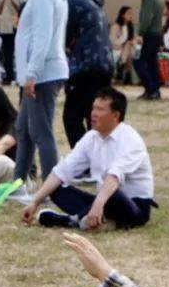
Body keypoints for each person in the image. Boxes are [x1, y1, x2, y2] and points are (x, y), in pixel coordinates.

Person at [21, 87, 155, 230]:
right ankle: (93, 219)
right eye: (93, 108)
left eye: (100, 109)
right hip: (103, 199)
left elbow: (114, 177)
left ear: (116, 115)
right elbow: (61, 171)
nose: (93, 114)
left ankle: (72, 220)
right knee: (55, 190)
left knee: (113, 195)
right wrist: (35, 202)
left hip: (133, 205)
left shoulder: (130, 139)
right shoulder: (91, 138)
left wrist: (98, 205)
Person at [12, 0, 69, 188]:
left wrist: (32, 74)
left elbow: (42, 36)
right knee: (24, 129)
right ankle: (18, 183)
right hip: (43, 71)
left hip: (43, 74)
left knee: (40, 131)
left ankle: (50, 189)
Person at [63, 0, 114, 148]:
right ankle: (99, 155)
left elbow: (64, 32)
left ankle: (83, 157)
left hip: (86, 66)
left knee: (71, 117)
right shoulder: (96, 5)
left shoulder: (73, 1)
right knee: (94, 116)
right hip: (105, 64)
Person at [0, 0, 28, 85]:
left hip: (3, 26)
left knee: (7, 53)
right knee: (20, 52)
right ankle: (21, 77)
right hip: (18, 26)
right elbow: (26, 11)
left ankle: (9, 77)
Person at [134, 0, 164, 100]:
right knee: (152, 63)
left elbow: (146, 16)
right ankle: (154, 90)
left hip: (149, 34)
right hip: (157, 34)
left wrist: (140, 33)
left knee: (138, 62)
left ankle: (151, 89)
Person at [111, 6, 136, 85]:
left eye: (131, 14)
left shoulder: (130, 27)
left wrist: (134, 42)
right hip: (116, 49)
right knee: (128, 48)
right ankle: (127, 76)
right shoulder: (115, 26)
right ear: (122, 15)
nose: (131, 15)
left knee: (129, 49)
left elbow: (132, 40)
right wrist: (124, 42)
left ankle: (121, 69)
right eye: (128, 13)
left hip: (126, 51)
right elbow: (113, 42)